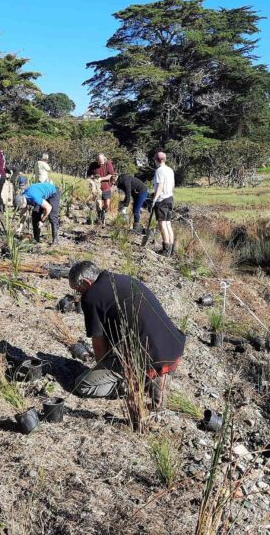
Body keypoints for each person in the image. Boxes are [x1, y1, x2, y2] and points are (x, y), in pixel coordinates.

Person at [68, 261, 185, 410]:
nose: (78, 295)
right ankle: (154, 376)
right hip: (173, 347)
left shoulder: (91, 297)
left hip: (150, 358)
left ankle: (134, 383)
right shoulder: (122, 278)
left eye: (78, 290)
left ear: (86, 282)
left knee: (83, 385)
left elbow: (99, 347)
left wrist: (103, 368)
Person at [152, 152, 175, 256]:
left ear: (157, 160)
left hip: (162, 200)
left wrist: (154, 199)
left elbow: (160, 186)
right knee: (168, 223)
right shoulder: (170, 170)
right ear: (164, 159)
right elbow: (172, 185)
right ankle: (171, 248)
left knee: (162, 224)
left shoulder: (159, 171)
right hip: (170, 198)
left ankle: (166, 250)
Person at [86, 154, 115, 226]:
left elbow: (111, 175)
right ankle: (100, 220)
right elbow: (88, 175)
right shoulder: (93, 165)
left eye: (101, 162)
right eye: (99, 162)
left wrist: (101, 179)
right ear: (97, 160)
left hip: (106, 187)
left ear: (104, 160)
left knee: (106, 205)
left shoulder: (108, 164)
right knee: (99, 205)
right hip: (96, 188)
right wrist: (93, 178)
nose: (100, 164)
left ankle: (103, 215)